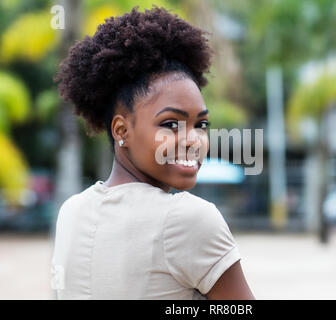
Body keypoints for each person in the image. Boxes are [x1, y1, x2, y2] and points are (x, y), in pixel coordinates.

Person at [51, 6, 254, 300]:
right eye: (170, 124)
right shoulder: (189, 218)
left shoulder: (71, 212)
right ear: (121, 130)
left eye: (201, 124)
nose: (193, 140)